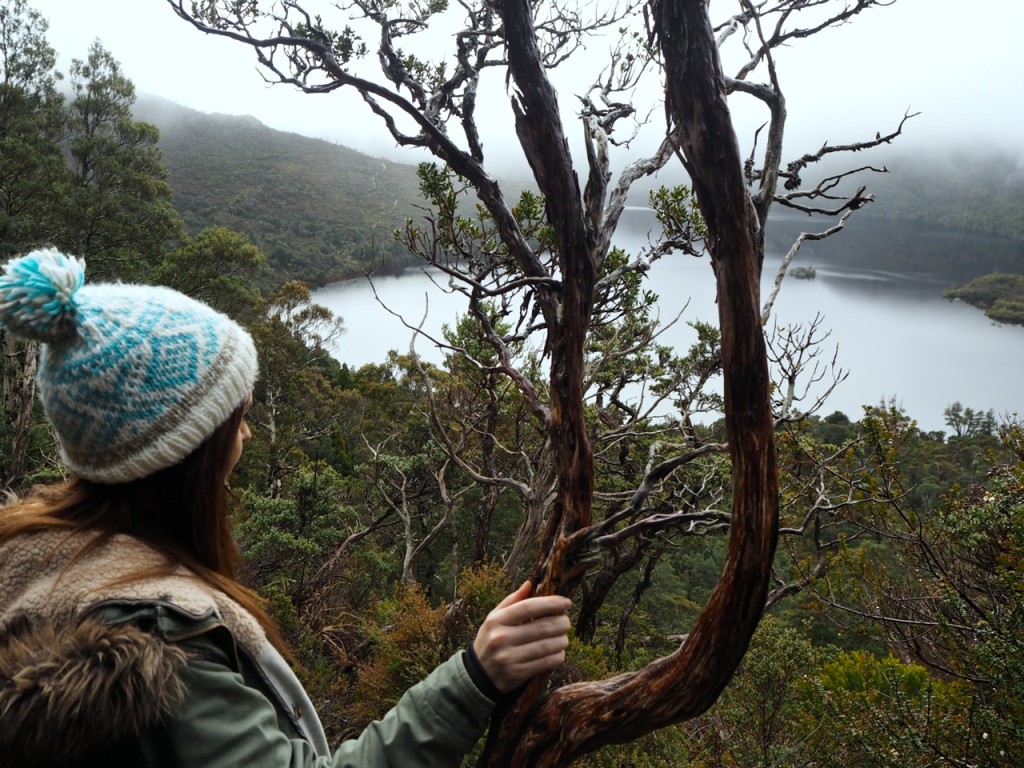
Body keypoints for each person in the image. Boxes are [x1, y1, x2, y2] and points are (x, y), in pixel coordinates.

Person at [0, 248, 571, 768]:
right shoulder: (155, 648)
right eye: (238, 417)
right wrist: (472, 679)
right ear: (184, 451)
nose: (246, 435)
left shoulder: (42, 558)